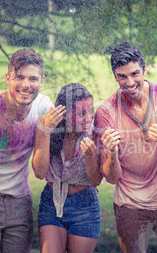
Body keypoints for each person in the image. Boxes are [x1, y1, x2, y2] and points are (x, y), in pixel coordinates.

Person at [94, 42, 157, 253]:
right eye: (122, 76)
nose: (129, 82)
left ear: (145, 70)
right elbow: (110, 178)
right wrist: (111, 153)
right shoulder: (105, 112)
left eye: (135, 74)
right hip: (130, 206)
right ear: (115, 76)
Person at [0, 49, 53, 252]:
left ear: (42, 81)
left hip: (19, 202)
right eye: (19, 77)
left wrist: (46, 130)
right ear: (8, 78)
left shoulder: (43, 108)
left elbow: (41, 172)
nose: (26, 85)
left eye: (33, 78)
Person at [32, 83, 103, 253]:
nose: (88, 118)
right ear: (63, 114)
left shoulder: (94, 132)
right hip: (51, 203)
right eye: (81, 114)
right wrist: (47, 131)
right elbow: (40, 173)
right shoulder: (45, 124)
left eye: (90, 111)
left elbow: (95, 181)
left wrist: (89, 157)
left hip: (85, 206)